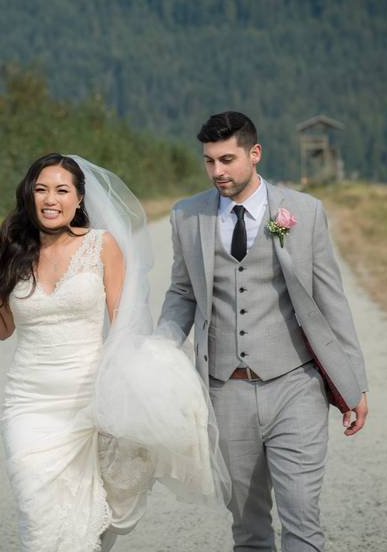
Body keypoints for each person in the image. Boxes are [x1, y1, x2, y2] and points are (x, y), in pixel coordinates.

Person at [0, 153, 229, 552]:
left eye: (61, 190)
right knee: (38, 513)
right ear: (29, 196)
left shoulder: (102, 245)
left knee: (86, 516)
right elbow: (4, 327)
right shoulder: (13, 250)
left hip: (89, 400)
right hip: (29, 404)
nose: (50, 199)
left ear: (79, 200)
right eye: (41, 190)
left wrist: (126, 388)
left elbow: (123, 320)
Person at [158, 112, 369, 552]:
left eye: (228, 159)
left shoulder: (304, 212)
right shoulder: (186, 216)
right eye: (209, 161)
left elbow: (331, 301)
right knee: (249, 531)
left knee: (302, 523)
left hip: (296, 387)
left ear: (255, 154)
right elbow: (182, 292)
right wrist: (158, 353)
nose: (218, 171)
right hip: (224, 391)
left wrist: (353, 384)